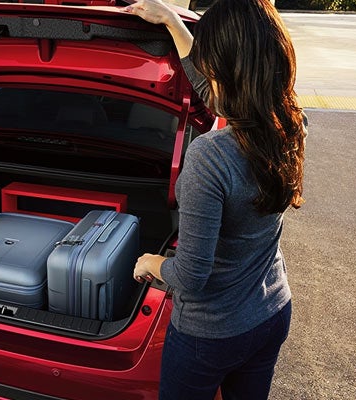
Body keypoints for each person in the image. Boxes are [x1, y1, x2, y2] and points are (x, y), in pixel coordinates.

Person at [124, 0, 306, 399]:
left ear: (229, 72)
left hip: (211, 336)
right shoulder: (290, 122)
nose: (205, 74)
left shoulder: (210, 157)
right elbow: (215, 95)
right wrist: (172, 22)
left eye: (211, 66)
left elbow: (191, 276)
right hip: (272, 311)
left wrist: (152, 262)